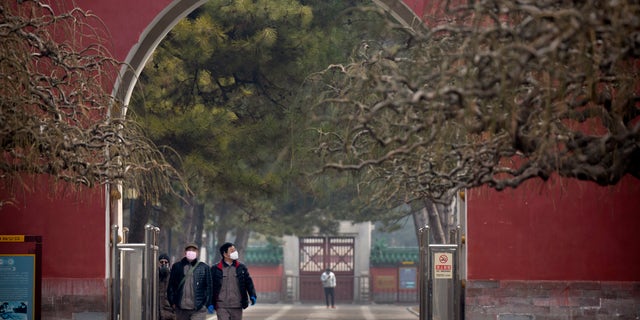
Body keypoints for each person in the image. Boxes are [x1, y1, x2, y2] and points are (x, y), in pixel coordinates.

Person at [167, 243, 214, 320]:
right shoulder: (177, 266)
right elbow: (171, 286)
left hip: (198, 309)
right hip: (181, 308)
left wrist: (206, 304)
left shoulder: (204, 267)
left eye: (194, 250)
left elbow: (209, 287)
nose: (191, 252)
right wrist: (172, 302)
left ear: (197, 253)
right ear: (185, 252)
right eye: (189, 250)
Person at [211, 242, 257, 320]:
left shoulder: (241, 268)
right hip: (221, 306)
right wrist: (210, 302)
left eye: (235, 250)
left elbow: (248, 282)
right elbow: (210, 286)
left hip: (237, 305)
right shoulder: (215, 269)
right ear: (225, 254)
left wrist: (252, 295)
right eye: (232, 251)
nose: (235, 252)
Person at [158, 253, 175, 320]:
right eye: (161, 262)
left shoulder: (173, 277)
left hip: (169, 312)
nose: (163, 264)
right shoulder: (154, 277)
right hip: (157, 312)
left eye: (166, 262)